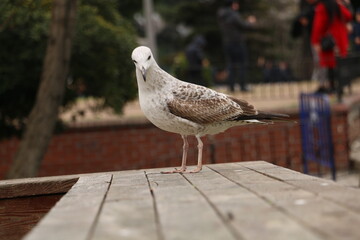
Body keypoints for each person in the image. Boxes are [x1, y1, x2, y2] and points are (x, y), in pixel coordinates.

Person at [311, 0, 352, 93]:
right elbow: (348, 15)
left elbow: (318, 25)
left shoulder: (322, 7)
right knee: (340, 64)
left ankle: (332, 86)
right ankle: (341, 87)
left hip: (329, 40)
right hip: (341, 39)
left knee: (330, 64)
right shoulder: (338, 5)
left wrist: (315, 41)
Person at [217, 0, 256, 92]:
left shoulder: (221, 15)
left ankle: (231, 86)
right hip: (237, 43)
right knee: (242, 64)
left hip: (227, 43)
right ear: (233, 4)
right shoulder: (234, 15)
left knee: (231, 64)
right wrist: (250, 22)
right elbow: (244, 26)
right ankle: (243, 86)